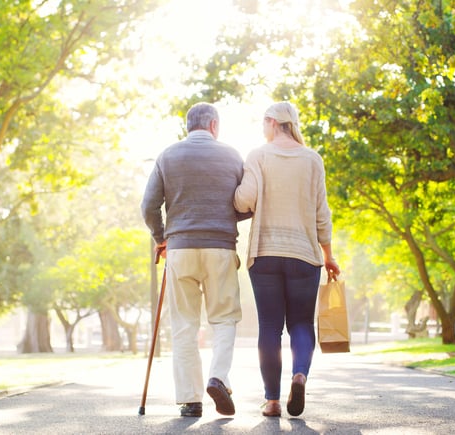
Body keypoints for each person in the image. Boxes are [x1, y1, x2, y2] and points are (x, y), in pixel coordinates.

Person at [141, 102, 248, 418]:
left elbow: (148, 206)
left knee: (184, 324)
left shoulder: (168, 155)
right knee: (224, 317)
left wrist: (161, 238)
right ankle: (219, 377)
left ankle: (190, 400)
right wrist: (228, 215)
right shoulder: (232, 155)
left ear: (188, 126)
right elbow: (247, 202)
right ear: (214, 125)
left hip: (181, 248)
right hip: (220, 248)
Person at [234, 101, 341, 418]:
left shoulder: (258, 155)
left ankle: (272, 401)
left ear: (270, 122)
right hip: (304, 256)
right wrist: (329, 255)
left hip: (265, 254)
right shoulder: (312, 160)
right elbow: (323, 213)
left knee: (269, 326)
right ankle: (300, 375)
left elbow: (244, 199)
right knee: (301, 324)